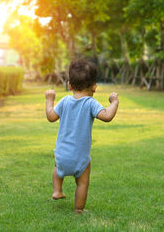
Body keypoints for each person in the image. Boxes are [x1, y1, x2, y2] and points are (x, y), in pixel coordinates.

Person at [45, 59, 119, 213]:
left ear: (69, 85)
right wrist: (114, 102)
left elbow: (51, 117)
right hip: (80, 158)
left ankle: (57, 190)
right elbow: (106, 116)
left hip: (62, 155)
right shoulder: (91, 103)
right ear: (94, 86)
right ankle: (78, 209)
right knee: (83, 183)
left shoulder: (65, 101)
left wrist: (49, 100)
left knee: (57, 167)